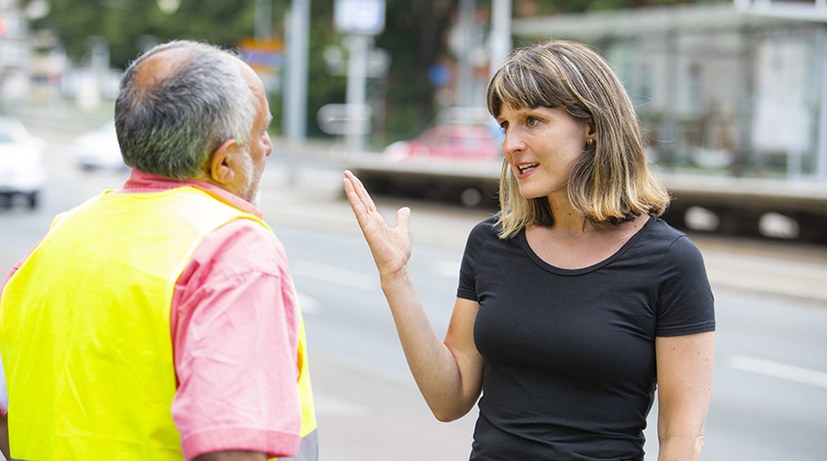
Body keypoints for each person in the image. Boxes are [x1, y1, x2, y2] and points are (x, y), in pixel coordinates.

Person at [343, 39, 715, 461]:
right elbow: (449, 399)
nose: (510, 144)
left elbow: (682, 438)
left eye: (532, 121)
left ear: (591, 126)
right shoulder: (491, 243)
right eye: (505, 124)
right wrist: (396, 277)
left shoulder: (670, 262)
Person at [0, 40, 317, 461]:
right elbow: (231, 451)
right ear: (223, 162)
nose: (268, 146)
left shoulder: (59, 239)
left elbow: (10, 415)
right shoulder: (232, 250)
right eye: (262, 132)